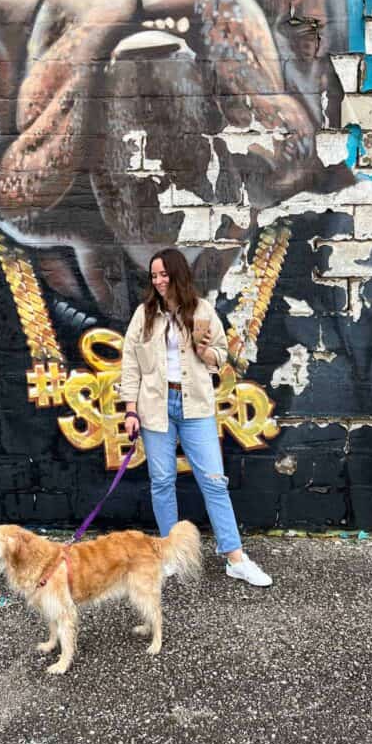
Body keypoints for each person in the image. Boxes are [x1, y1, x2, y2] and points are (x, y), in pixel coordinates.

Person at [121, 248, 272, 587]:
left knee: (214, 482)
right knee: (162, 483)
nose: (159, 281)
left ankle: (235, 557)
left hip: (196, 407)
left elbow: (222, 353)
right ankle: (169, 555)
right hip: (155, 407)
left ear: (178, 274)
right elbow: (130, 364)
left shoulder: (202, 310)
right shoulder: (143, 315)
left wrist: (205, 351)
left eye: (164, 274)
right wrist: (130, 408)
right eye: (154, 275)